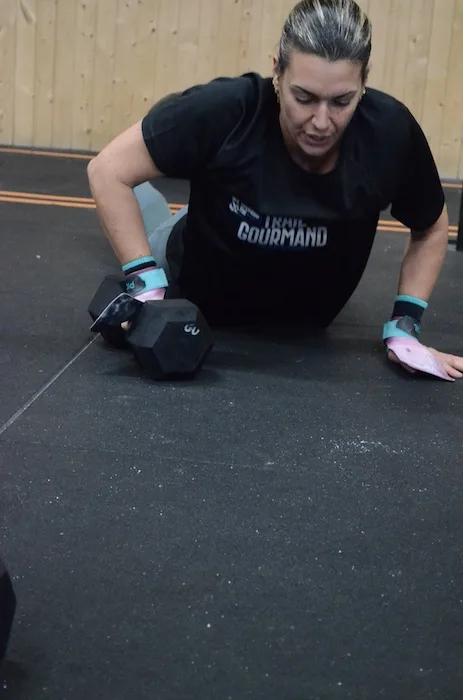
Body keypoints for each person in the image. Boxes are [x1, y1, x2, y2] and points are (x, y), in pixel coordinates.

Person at [87, 0, 463, 380]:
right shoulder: (227, 109)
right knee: (148, 217)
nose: (321, 122)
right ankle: (156, 203)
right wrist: (144, 280)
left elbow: (431, 227)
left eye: (341, 101)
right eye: (304, 98)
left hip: (299, 320)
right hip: (193, 278)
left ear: (364, 83)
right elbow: (107, 171)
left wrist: (405, 327)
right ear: (277, 74)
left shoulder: (389, 134)